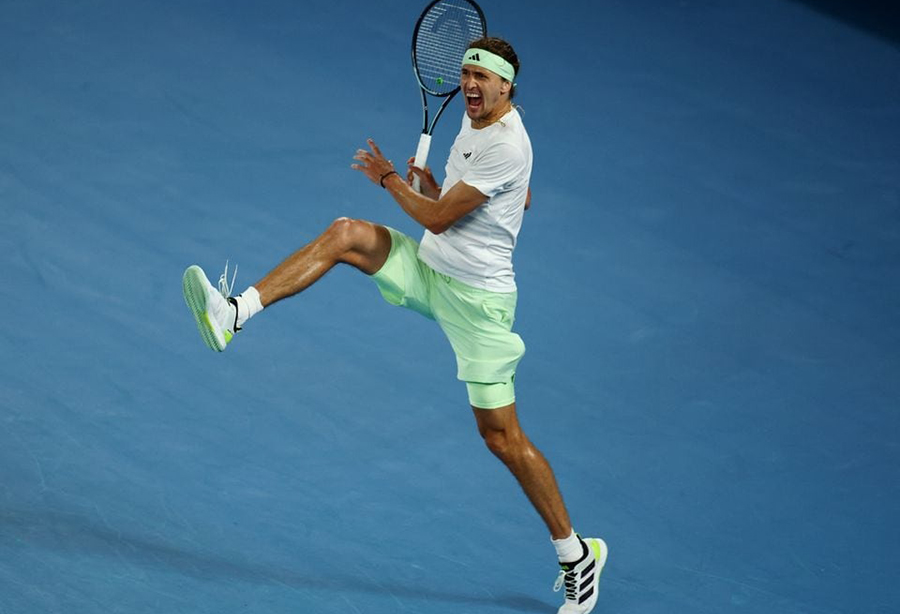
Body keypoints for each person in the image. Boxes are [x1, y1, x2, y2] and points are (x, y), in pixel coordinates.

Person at [182, 36, 607, 613]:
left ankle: (576, 553)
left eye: (484, 78)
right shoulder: (476, 121)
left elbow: (436, 215)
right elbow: (519, 200)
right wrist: (440, 188)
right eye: (466, 74)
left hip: (479, 306)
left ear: (508, 86)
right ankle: (234, 312)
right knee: (345, 233)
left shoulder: (508, 143)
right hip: (432, 271)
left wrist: (392, 180)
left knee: (500, 438)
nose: (471, 85)